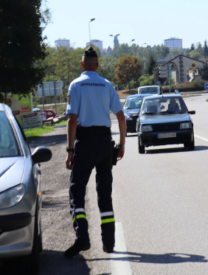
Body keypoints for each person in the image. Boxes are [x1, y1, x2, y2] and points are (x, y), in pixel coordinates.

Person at [64, 47, 126, 258]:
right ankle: (109, 243)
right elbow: (121, 117)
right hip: (104, 144)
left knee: (77, 191)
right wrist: (122, 145)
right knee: (104, 194)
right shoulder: (107, 85)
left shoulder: (76, 85)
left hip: (85, 142)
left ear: (82, 65)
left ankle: (82, 238)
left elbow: (72, 120)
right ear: (97, 65)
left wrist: (70, 151)